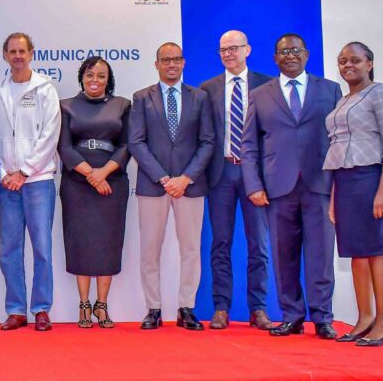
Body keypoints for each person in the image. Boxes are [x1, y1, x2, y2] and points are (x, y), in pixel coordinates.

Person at [241, 34, 342, 340]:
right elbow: (249, 145)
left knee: (321, 255)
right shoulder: (260, 94)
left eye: (296, 50)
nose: (291, 55)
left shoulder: (330, 89)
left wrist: (339, 183)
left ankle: (322, 317)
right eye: (284, 52)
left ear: (307, 54)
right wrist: (253, 185)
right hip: (277, 186)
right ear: (275, 59)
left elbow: (341, 139)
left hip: (320, 183)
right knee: (283, 256)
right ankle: (292, 316)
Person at [129, 42, 215, 332]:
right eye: (165, 60)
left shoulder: (199, 97)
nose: (171, 64)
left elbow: (208, 142)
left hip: (190, 185)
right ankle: (153, 309)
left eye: (176, 59)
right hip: (153, 185)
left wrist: (185, 178)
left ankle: (186, 308)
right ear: (156, 64)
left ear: (183, 62)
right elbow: (136, 142)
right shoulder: (142, 98)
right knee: (150, 249)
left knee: (190, 248)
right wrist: (164, 178)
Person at [324, 42, 383, 347]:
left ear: (369, 64)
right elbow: (338, 150)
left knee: (377, 248)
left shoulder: (382, 93)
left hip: (373, 179)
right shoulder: (344, 100)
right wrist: (334, 196)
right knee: (356, 252)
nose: (348, 65)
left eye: (355, 60)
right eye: (343, 61)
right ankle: (365, 318)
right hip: (346, 182)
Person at [198, 30, 276, 330]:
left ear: (248, 50)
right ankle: (221, 308)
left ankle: (259, 309)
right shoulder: (208, 89)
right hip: (221, 173)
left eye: (234, 48)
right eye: (223, 50)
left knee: (259, 244)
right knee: (220, 243)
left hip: (255, 174)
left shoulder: (267, 85)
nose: (228, 54)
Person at [0, 32, 61, 332]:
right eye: (12, 51)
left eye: (22, 51)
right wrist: (4, 173)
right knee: (9, 250)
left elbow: (50, 134)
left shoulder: (45, 89)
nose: (17, 56)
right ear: (5, 55)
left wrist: (25, 171)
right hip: (7, 183)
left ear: (31, 54)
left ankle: (41, 308)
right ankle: (16, 310)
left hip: (38, 180)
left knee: (42, 248)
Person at [57, 56, 131, 329]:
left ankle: (102, 304)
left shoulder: (122, 105)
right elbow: (64, 147)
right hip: (77, 183)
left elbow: (127, 145)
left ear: (108, 80)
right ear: (82, 77)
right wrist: (91, 174)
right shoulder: (66, 106)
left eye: (101, 76)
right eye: (90, 75)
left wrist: (103, 173)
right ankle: (84, 304)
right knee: (81, 242)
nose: (95, 80)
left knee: (107, 242)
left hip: (113, 181)